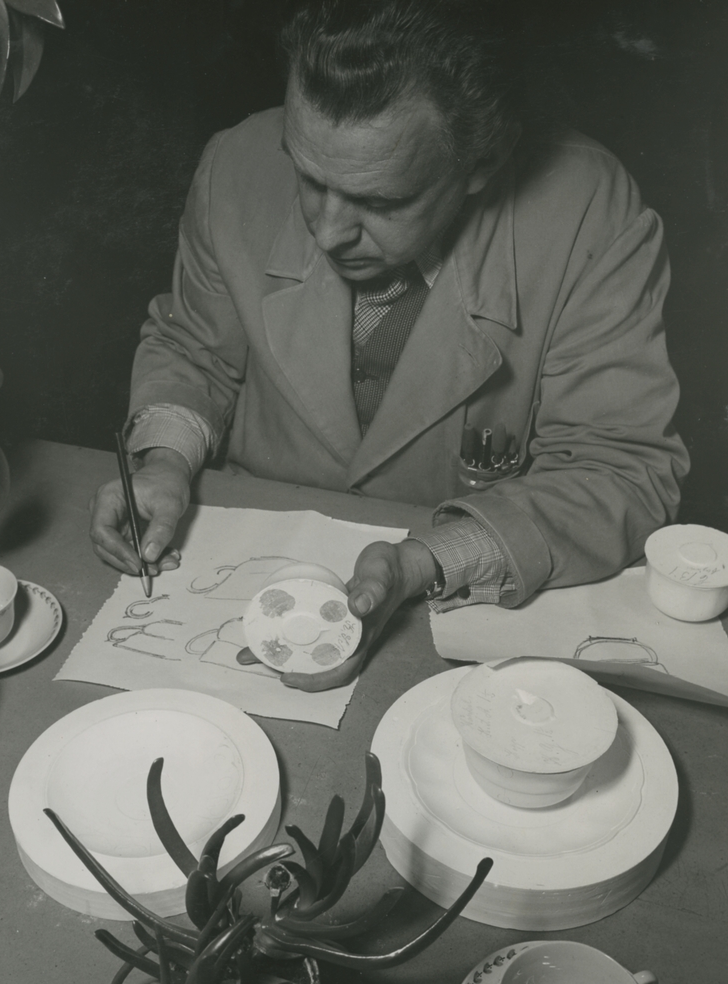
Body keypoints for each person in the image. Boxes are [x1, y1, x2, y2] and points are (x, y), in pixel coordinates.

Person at [90, 0, 688, 690]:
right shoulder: (235, 162)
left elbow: (621, 469)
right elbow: (194, 349)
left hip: (452, 609)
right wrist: (165, 460)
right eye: (308, 177)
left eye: (379, 203)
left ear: (482, 160)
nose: (326, 231)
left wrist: (430, 560)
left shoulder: (589, 211)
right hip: (239, 575)